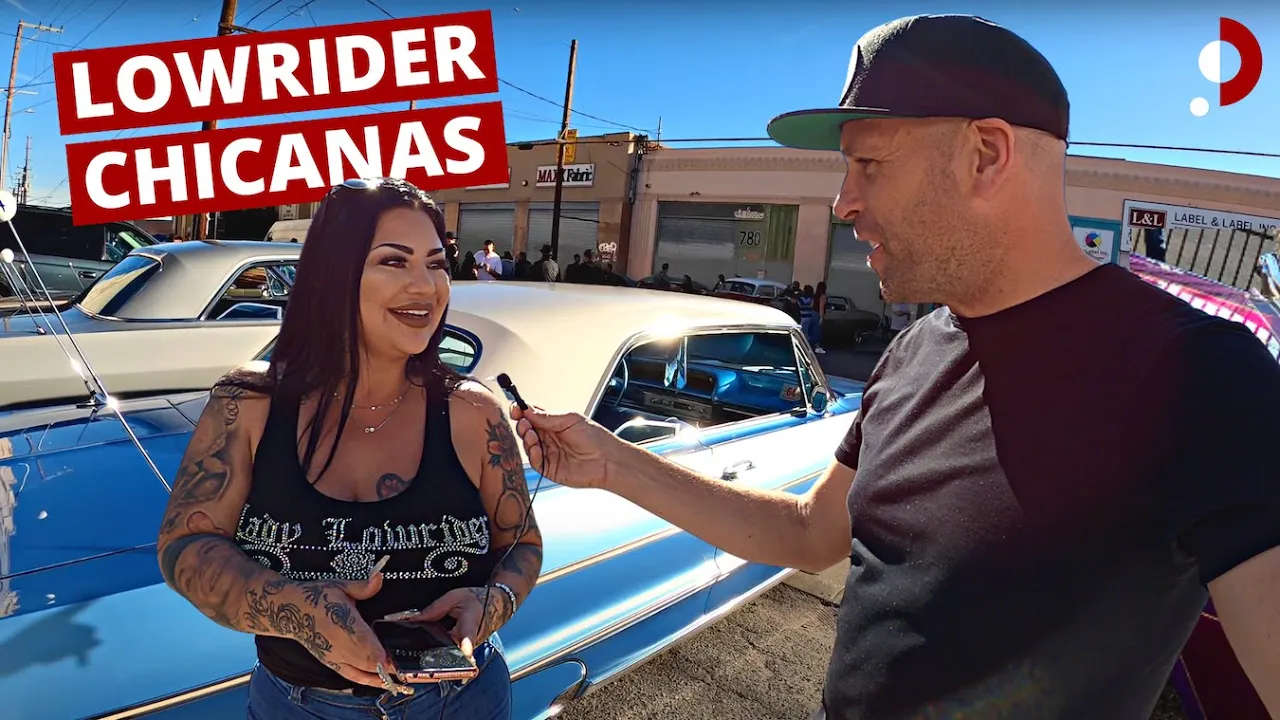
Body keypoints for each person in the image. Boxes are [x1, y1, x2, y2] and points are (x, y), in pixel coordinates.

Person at [507, 14, 1280, 720]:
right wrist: (612, 463)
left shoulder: (1204, 375)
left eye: (869, 164)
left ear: (987, 155)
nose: (842, 202)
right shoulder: (914, 350)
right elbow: (812, 532)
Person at [155, 177, 543, 719]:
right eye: (394, 261)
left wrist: (492, 604)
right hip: (298, 706)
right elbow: (185, 546)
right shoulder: (249, 404)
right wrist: (297, 611)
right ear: (333, 275)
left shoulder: (473, 412)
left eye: (436, 264)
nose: (425, 286)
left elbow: (522, 543)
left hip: (462, 701)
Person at [797, 284, 820, 350]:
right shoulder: (812, 299)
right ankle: (808, 346)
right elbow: (812, 306)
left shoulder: (800, 298)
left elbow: (799, 304)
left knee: (803, 332)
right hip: (810, 316)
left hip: (803, 316)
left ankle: (803, 346)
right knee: (808, 332)